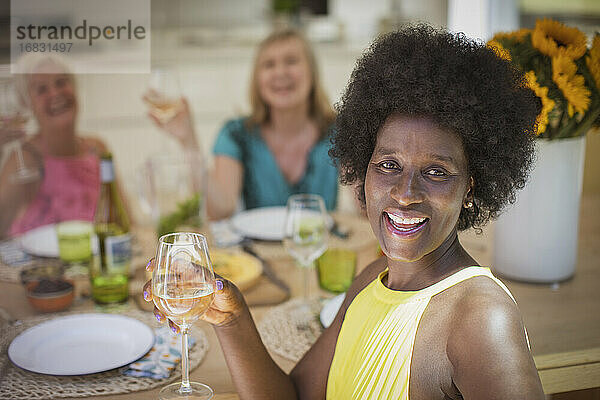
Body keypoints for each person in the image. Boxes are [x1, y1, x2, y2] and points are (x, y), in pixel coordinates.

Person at [144, 25, 545, 399]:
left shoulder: (481, 319)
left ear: (471, 185)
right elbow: (294, 396)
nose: (405, 194)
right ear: (362, 167)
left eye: (436, 172)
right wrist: (230, 316)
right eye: (388, 165)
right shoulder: (373, 277)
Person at [147, 29, 338, 220]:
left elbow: (363, 207)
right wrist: (188, 141)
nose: (280, 72)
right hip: (256, 250)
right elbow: (220, 211)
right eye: (269, 65)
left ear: (312, 73)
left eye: (291, 61)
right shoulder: (236, 134)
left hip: (324, 248)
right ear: (258, 80)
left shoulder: (339, 130)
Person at [0, 54, 110, 238]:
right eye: (41, 89)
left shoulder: (97, 149)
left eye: (61, 82)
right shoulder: (26, 159)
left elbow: (126, 222)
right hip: (40, 266)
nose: (55, 93)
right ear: (27, 103)